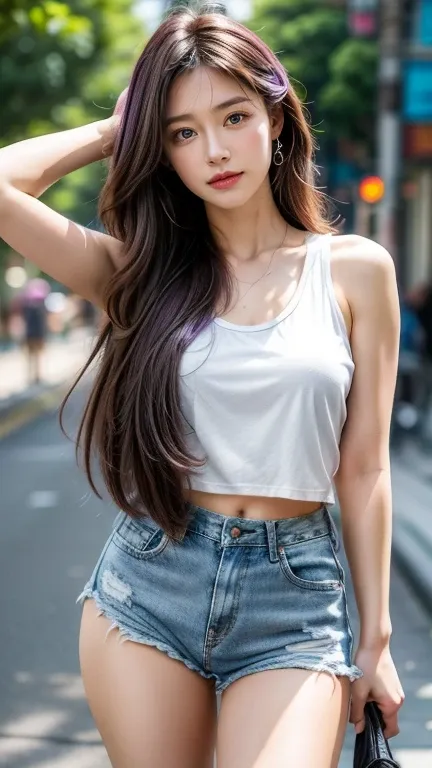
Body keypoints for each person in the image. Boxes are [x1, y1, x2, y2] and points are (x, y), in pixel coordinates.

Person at [0, 4, 404, 766]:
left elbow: (365, 466)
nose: (214, 150)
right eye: (182, 132)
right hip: (152, 579)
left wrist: (374, 639)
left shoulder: (354, 270)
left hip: (296, 595)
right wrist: (115, 131)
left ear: (276, 120)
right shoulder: (139, 274)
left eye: (234, 116)